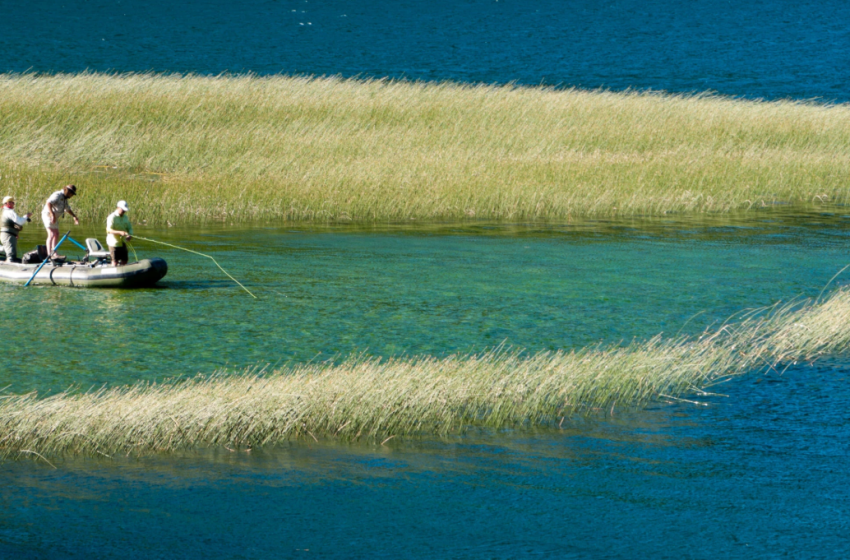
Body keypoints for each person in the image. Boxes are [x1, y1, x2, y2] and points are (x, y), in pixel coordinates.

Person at [42, 184, 80, 258]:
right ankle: (49, 255)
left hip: (55, 217)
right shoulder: (58, 195)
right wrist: (52, 214)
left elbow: (67, 209)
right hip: (48, 215)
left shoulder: (64, 198)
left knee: (56, 234)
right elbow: (48, 202)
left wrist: (74, 216)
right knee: (51, 234)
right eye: (71, 194)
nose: (71, 196)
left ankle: (54, 253)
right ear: (68, 191)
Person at [1, 196, 33, 262]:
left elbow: (13, 225)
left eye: (13, 202)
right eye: (12, 202)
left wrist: (15, 233)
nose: (13, 204)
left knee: (10, 252)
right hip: (8, 235)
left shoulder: (5, 211)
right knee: (11, 256)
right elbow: (19, 222)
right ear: (8, 203)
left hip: (8, 235)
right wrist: (26, 216)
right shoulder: (9, 212)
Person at [106, 200, 134, 266]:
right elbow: (109, 230)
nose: (124, 211)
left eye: (125, 210)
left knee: (125, 260)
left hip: (122, 242)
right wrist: (120, 232)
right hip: (113, 243)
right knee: (115, 261)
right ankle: (113, 270)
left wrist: (130, 235)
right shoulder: (112, 217)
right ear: (118, 207)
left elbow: (129, 228)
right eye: (123, 210)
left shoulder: (125, 217)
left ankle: (123, 270)